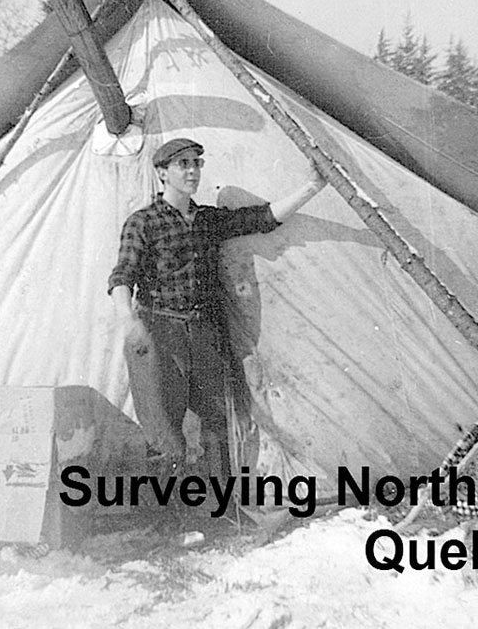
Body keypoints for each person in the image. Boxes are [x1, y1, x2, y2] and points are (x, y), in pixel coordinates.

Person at [108, 137, 326, 477]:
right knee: (164, 430)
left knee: (220, 421)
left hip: (203, 332)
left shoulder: (208, 219)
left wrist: (313, 186)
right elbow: (123, 273)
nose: (192, 171)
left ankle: (220, 503)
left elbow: (262, 218)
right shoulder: (143, 222)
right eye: (183, 164)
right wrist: (127, 318)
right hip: (160, 333)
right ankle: (167, 507)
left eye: (197, 163)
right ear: (162, 173)